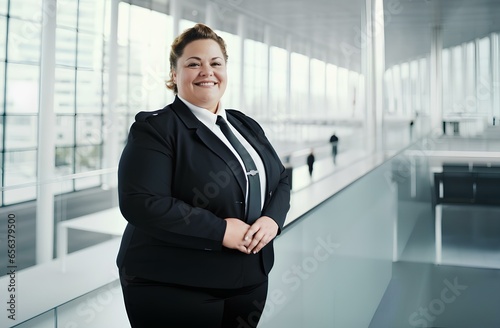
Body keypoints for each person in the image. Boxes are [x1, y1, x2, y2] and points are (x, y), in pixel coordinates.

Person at [116, 23, 291, 328]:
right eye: (193, 63)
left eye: (215, 63)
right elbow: (142, 203)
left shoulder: (244, 124)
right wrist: (220, 230)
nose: (206, 71)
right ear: (174, 74)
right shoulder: (155, 129)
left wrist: (273, 220)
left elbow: (281, 178)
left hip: (248, 279)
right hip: (174, 283)